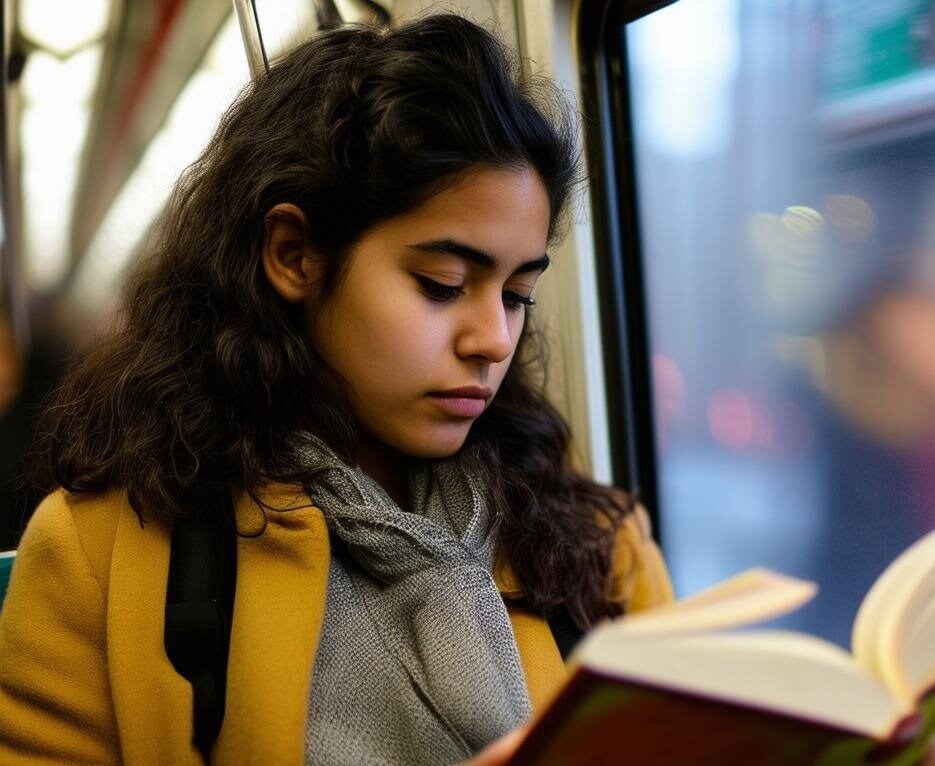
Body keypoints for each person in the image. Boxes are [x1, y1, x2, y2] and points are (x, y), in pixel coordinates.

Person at [0, 14, 673, 766]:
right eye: (442, 285)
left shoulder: (592, 545)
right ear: (294, 256)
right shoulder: (104, 555)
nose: (492, 340)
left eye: (516, 296)